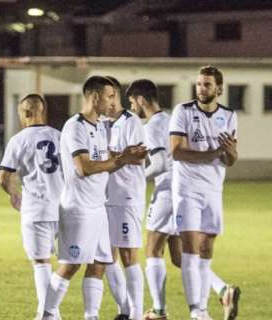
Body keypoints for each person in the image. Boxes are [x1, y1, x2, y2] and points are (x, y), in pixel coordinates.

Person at [127, 79, 240, 320]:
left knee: (152, 249)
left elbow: (160, 163)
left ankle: (158, 311)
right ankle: (223, 290)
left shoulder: (151, 126)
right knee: (181, 257)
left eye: (132, 101)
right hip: (183, 190)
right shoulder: (172, 118)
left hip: (168, 192)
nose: (132, 107)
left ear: (141, 100)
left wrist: (136, 179)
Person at [42, 76, 147, 320]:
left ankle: (92, 316)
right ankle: (46, 314)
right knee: (70, 266)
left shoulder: (100, 126)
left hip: (98, 208)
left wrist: (125, 154)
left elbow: (103, 155)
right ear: (95, 97)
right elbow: (84, 167)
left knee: (99, 264)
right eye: (110, 96)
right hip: (78, 209)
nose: (113, 102)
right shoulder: (75, 127)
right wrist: (122, 160)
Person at [169, 66, 238, 320]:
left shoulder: (229, 115)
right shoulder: (183, 111)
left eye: (207, 84)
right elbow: (176, 152)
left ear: (218, 88)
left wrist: (228, 153)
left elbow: (231, 159)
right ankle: (196, 311)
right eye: (199, 84)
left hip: (213, 189)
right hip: (187, 190)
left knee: (207, 249)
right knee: (189, 248)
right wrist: (213, 154)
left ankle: (205, 308)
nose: (201, 89)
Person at [0, 94, 63, 320]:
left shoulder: (19, 139)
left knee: (41, 263)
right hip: (63, 209)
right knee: (66, 266)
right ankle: (50, 313)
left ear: (26, 113)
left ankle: (48, 314)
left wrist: (14, 194)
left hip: (36, 209)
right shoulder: (60, 136)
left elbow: (4, 177)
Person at [102, 76, 146, 320]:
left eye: (108, 95)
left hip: (127, 195)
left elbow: (139, 156)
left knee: (129, 254)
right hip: (104, 197)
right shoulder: (99, 123)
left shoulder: (132, 121)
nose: (105, 101)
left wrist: (108, 155)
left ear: (116, 95)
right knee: (105, 255)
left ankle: (137, 314)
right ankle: (124, 309)